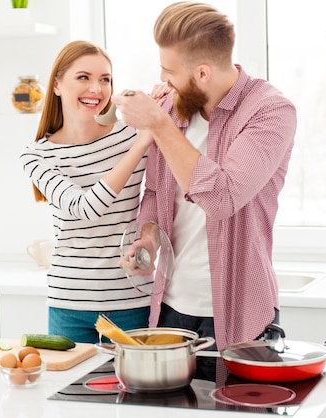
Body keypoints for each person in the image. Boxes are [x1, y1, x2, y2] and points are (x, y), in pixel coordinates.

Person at [113, 2, 297, 351]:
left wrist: (158, 124)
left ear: (202, 73)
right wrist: (149, 240)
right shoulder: (173, 107)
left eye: (170, 71)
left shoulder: (270, 111)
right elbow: (154, 193)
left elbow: (222, 198)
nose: (164, 80)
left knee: (233, 408)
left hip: (240, 313)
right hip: (169, 309)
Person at [19, 40, 157, 343]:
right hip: (69, 304)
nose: (96, 88)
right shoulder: (37, 156)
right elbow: (85, 208)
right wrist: (141, 144)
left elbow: (160, 197)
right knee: (72, 391)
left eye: (105, 79)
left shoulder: (130, 134)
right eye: (84, 77)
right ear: (57, 85)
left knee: (134, 390)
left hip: (131, 300)